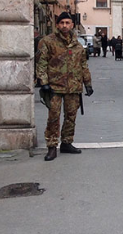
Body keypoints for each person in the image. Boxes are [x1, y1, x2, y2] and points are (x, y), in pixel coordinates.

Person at [36, 12, 94, 161]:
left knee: (70, 117)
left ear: (72, 25)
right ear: (57, 25)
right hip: (55, 86)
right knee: (53, 117)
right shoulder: (48, 42)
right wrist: (44, 82)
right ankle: (51, 146)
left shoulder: (77, 45)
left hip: (73, 87)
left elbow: (83, 65)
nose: (65, 26)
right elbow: (41, 63)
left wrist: (88, 83)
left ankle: (67, 142)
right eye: (62, 23)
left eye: (67, 23)